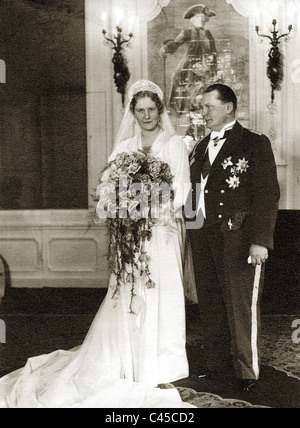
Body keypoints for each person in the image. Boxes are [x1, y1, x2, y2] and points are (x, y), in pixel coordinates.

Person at [0, 80, 194, 408]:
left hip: (161, 234)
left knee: (164, 294)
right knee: (128, 296)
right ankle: (126, 363)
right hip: (130, 237)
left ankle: (162, 365)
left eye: (152, 110)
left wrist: (146, 209)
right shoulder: (124, 150)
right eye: (140, 110)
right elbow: (106, 192)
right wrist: (123, 209)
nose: (146, 115)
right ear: (132, 113)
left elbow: (182, 192)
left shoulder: (173, 145)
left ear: (160, 111)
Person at [186, 83, 280, 392]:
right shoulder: (199, 147)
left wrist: (261, 241)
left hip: (240, 239)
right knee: (211, 304)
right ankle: (216, 367)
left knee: (241, 306)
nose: (204, 113)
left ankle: (246, 373)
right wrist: (189, 231)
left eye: (209, 107)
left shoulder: (253, 143)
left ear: (228, 107)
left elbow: (267, 195)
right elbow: (194, 193)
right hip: (203, 238)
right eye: (202, 108)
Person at [160, 4, 217, 115]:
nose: (201, 20)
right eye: (198, 17)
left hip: (206, 64)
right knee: (176, 77)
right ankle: (179, 108)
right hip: (189, 64)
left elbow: (214, 51)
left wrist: (212, 62)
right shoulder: (188, 32)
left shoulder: (208, 34)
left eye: (203, 17)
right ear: (192, 19)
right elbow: (176, 43)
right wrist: (165, 49)